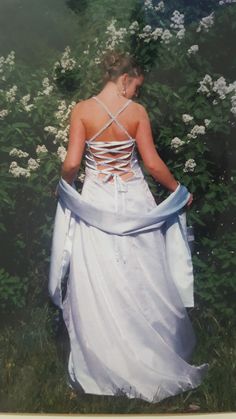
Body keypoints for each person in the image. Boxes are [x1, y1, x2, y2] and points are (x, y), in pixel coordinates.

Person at [49, 51, 209, 404]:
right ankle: (150, 354)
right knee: (142, 277)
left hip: (97, 203)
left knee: (101, 278)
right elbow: (151, 162)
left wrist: (62, 186)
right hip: (135, 201)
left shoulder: (82, 110)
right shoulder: (136, 114)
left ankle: (105, 364)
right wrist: (178, 190)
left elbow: (73, 163)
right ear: (125, 78)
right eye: (137, 86)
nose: (137, 93)